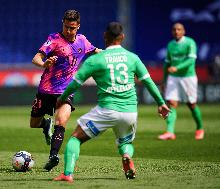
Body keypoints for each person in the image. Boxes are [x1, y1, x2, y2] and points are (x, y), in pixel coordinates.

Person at [53, 22, 170, 182]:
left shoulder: (96, 60)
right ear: (122, 37)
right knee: (125, 142)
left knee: (76, 137)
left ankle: (67, 174)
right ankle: (127, 156)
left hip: (106, 110)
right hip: (129, 112)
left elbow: (75, 83)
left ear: (105, 36)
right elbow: (148, 82)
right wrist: (161, 103)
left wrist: (62, 97)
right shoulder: (132, 58)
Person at [30, 9, 100, 171]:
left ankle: (53, 156)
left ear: (78, 27)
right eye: (66, 27)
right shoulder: (53, 39)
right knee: (34, 123)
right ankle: (46, 124)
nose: (68, 31)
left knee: (61, 122)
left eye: (72, 28)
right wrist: (44, 64)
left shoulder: (83, 41)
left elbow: (97, 52)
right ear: (63, 23)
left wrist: (114, 55)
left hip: (66, 91)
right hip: (46, 90)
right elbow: (36, 58)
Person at [158, 23, 204, 140]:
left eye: (179, 29)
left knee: (191, 104)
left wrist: (177, 67)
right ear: (172, 32)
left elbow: (191, 60)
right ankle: (170, 132)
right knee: (171, 104)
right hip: (174, 77)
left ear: (183, 31)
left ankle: (200, 128)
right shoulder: (170, 45)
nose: (176, 31)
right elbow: (167, 63)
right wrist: (164, 80)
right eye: (174, 30)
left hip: (188, 77)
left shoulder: (190, 42)